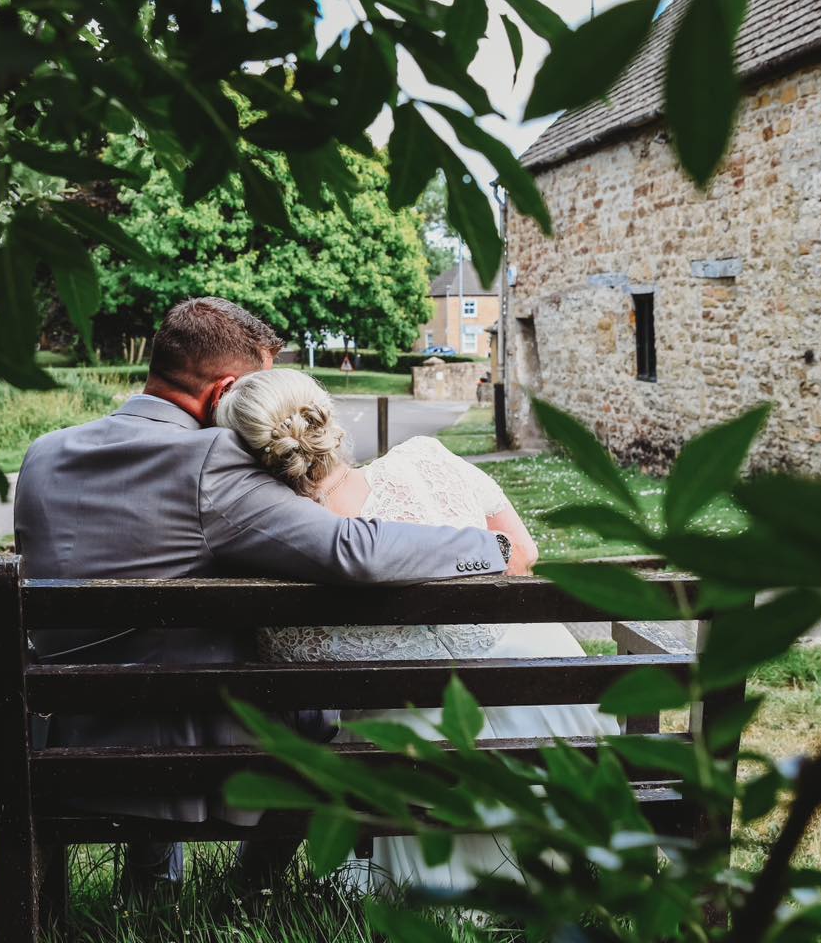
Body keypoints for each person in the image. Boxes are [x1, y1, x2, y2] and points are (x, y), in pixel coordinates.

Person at [13, 298, 512, 894]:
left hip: (62, 741)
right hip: (177, 747)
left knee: (172, 656)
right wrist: (490, 549)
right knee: (312, 707)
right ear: (224, 389)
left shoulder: (45, 455)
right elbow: (350, 550)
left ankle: (151, 882)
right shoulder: (212, 462)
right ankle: (255, 886)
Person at [215, 368, 620, 892]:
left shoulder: (284, 557)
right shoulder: (429, 458)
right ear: (327, 416)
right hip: (555, 705)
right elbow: (522, 553)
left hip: (422, 758)